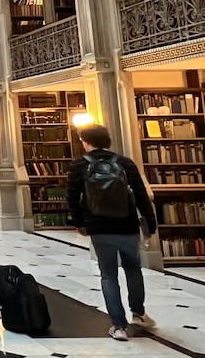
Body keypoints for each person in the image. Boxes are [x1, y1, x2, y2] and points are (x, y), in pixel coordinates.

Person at [67, 124, 157, 341]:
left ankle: (118, 326)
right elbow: (141, 194)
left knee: (108, 275)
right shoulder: (124, 163)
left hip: (99, 227)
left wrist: (79, 223)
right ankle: (138, 313)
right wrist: (150, 222)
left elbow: (72, 198)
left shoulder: (79, 165)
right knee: (133, 270)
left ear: (85, 141)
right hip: (127, 225)